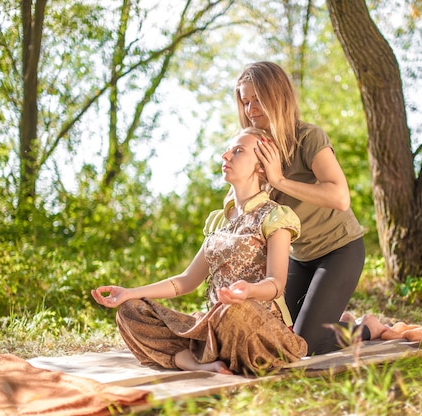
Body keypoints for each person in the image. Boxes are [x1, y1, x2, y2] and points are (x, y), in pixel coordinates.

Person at [91, 127, 307, 375]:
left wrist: (248, 291)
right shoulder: (218, 221)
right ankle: (197, 361)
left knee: (236, 311)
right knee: (131, 311)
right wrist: (130, 293)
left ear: (261, 166)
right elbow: (185, 282)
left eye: (238, 151)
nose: (226, 156)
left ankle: (215, 353)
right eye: (227, 150)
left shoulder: (275, 216)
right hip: (214, 327)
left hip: (255, 327)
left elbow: (276, 284)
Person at [234, 61, 381, 355]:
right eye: (245, 101)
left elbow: (340, 197)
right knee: (277, 334)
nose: (251, 109)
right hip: (298, 257)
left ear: (277, 96)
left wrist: (278, 180)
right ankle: (337, 320)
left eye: (258, 99)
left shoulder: (308, 137)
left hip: (339, 250)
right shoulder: (255, 148)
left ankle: (367, 328)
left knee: (307, 344)